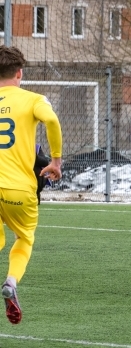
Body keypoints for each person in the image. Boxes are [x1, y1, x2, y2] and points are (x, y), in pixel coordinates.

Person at [0, 45, 63, 325]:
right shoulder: (34, 99)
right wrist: (56, 161)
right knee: (24, 238)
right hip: (18, 188)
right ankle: (11, 282)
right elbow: (51, 119)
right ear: (20, 73)